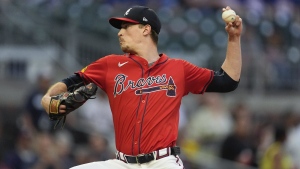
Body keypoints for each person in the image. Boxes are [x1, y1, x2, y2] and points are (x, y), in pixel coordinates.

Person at [41, 5, 243, 169]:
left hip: (162, 162)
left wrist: (234, 39)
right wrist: (48, 98)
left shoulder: (179, 69)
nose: (120, 33)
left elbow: (228, 81)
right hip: (122, 163)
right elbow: (67, 83)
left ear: (146, 29)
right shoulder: (109, 64)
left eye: (126, 27)